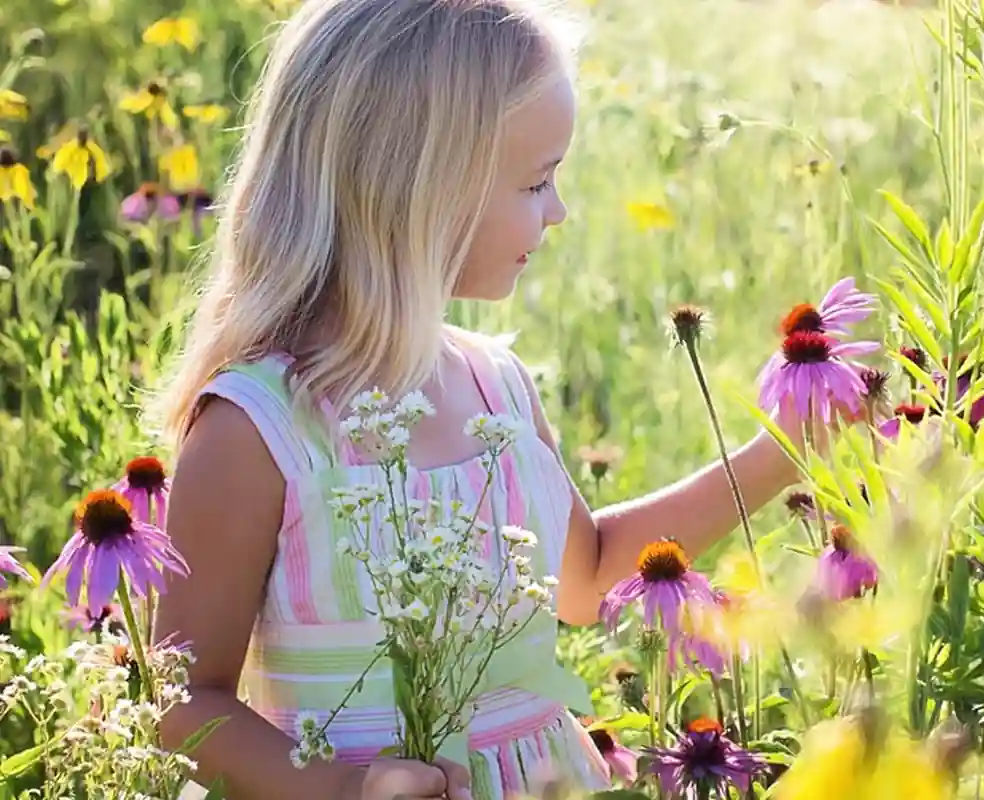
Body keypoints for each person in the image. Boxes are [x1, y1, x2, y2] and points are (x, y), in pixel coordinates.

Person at [148, 1, 809, 797]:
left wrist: (787, 448)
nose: (558, 211)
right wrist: (349, 790)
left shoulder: (496, 385)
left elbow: (586, 576)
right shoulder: (258, 428)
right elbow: (184, 704)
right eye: (536, 181)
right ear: (415, 186)